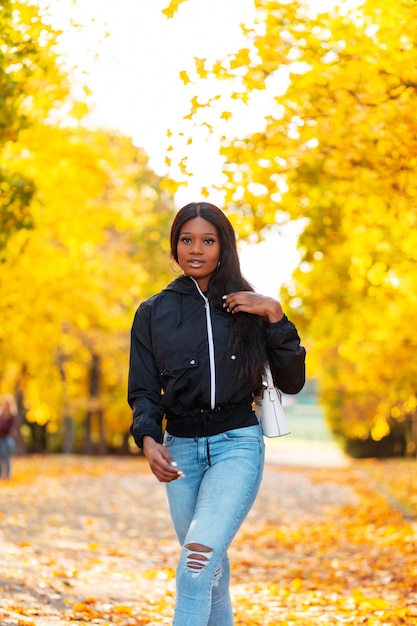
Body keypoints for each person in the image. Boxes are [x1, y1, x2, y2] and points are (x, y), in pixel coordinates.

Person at [128, 202, 306, 626]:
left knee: (194, 569)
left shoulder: (252, 306)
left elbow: (293, 381)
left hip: (236, 446)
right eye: (186, 239)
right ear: (174, 246)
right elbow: (143, 390)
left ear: (223, 245)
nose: (196, 249)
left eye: (208, 240)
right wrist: (149, 439)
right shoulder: (153, 311)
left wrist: (276, 316)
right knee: (211, 572)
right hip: (180, 453)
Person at [0, 394, 17, 479]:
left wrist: (2, 426)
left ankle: (7, 475)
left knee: (6, 457)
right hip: (0, 438)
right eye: (4, 403)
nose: (5, 405)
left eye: (6, 403)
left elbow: (9, 427)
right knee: (0, 457)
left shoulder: (12, 414)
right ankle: (1, 475)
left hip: (7, 439)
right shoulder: (1, 414)